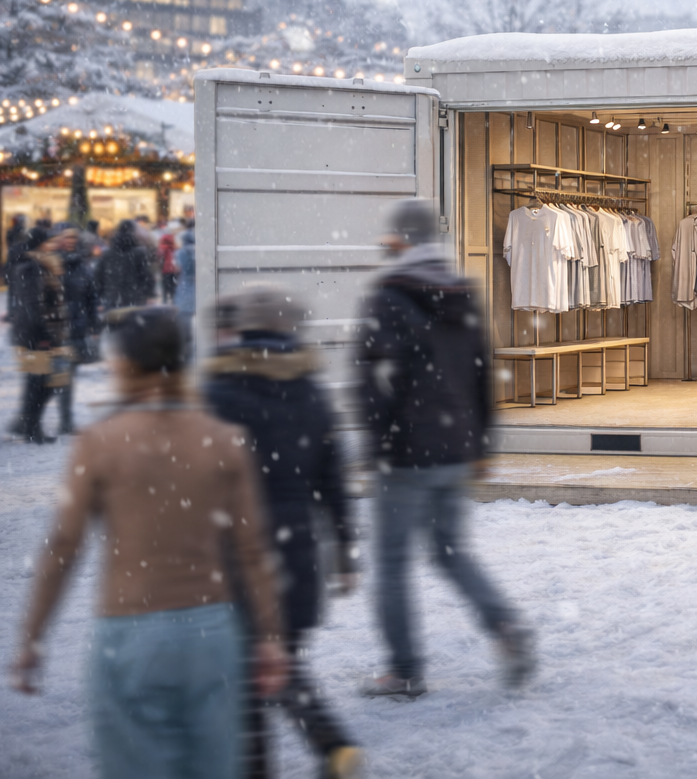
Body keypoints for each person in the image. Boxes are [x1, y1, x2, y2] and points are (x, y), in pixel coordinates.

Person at [11, 306, 289, 779]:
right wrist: (269, 637)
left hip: (130, 632)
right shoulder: (224, 439)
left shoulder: (101, 442)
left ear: (125, 364)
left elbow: (64, 545)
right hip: (212, 633)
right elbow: (252, 548)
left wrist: (33, 638)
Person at [355, 198, 535, 698]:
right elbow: (482, 371)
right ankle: (505, 627)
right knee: (452, 552)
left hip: (408, 451)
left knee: (391, 562)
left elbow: (370, 381)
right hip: (455, 446)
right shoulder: (462, 292)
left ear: (398, 240)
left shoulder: (387, 297)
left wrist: (377, 444)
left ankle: (404, 670)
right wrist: (480, 441)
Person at [203, 285, 362, 779]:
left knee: (247, 673)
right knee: (280, 657)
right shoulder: (312, 392)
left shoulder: (216, 392)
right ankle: (333, 745)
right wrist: (344, 548)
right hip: (296, 547)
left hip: (234, 548)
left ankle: (286, 758)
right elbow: (333, 479)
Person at [9, 226, 67, 443]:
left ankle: (29, 424)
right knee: (44, 382)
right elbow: (33, 304)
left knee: (38, 381)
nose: (52, 245)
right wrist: (45, 335)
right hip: (36, 333)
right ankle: (30, 426)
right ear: (41, 244)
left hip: (31, 331)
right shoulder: (33, 266)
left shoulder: (32, 264)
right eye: (49, 242)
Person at [53, 224, 100, 436]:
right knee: (52, 376)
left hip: (76, 327)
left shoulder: (82, 265)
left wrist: (94, 325)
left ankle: (65, 420)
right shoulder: (50, 263)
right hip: (54, 328)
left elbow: (91, 297)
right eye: (66, 237)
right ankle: (31, 419)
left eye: (73, 237)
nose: (70, 241)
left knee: (66, 376)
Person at [95, 219, 155, 310]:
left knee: (115, 323)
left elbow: (98, 276)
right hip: (135, 298)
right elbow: (146, 275)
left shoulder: (108, 254)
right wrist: (149, 294)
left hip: (112, 298)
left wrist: (99, 298)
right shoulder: (139, 253)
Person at [173, 226, 196, 360]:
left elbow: (177, 268)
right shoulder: (198, 250)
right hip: (196, 286)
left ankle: (185, 345)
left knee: (184, 317)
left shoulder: (180, 253)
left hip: (184, 286)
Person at [158, 226, 180, 305]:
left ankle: (164, 302)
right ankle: (174, 302)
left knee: (165, 287)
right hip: (174, 270)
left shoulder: (161, 248)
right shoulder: (174, 247)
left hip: (165, 270)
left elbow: (160, 258)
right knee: (173, 287)